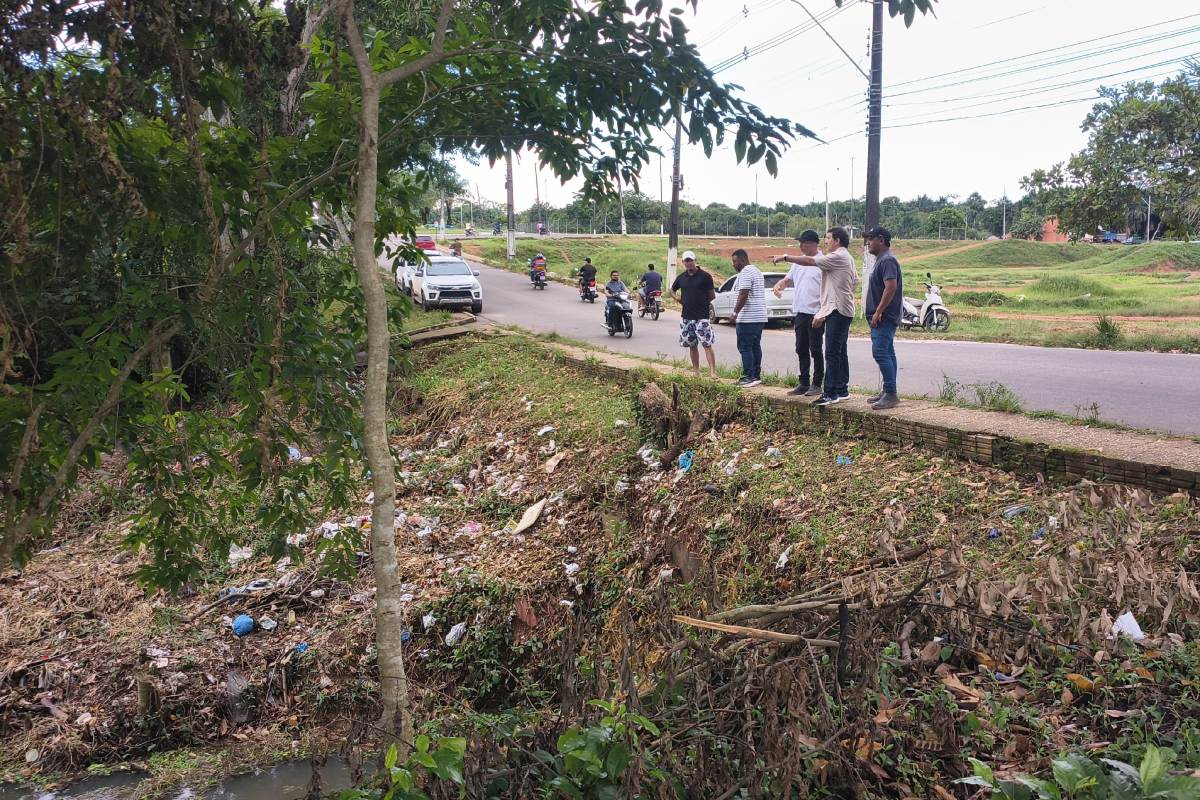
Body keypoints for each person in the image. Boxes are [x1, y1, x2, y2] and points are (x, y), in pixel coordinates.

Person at [772, 226, 857, 406]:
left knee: (828, 351)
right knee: (826, 350)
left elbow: (811, 261)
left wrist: (785, 257)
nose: (826, 241)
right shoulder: (842, 257)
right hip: (815, 310)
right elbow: (854, 281)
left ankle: (829, 391)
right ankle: (838, 389)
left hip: (829, 310)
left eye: (828, 238)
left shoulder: (834, 257)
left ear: (837, 240)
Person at [772, 230, 824, 396]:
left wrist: (822, 313)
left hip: (816, 312)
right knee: (801, 348)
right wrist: (779, 285)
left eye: (803, 243)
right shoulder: (797, 263)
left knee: (816, 349)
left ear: (812, 243)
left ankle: (817, 384)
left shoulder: (822, 262)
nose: (800, 246)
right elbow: (788, 279)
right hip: (800, 312)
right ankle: (803, 382)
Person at [863, 226, 902, 410]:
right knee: (888, 352)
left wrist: (878, 311)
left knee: (880, 352)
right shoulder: (882, 260)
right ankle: (888, 391)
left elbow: (891, 287)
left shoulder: (887, 260)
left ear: (881, 239)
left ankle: (891, 394)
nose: (867, 242)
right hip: (883, 315)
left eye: (870, 238)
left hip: (884, 316)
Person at [669, 251, 718, 379]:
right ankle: (696, 371)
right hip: (686, 316)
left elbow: (712, 295)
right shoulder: (681, 277)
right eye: (686, 261)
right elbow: (671, 290)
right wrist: (678, 299)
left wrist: (701, 303)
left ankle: (713, 372)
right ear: (683, 263)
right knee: (692, 345)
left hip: (702, 316)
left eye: (691, 260)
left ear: (695, 260)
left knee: (707, 344)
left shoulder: (705, 276)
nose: (689, 263)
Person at [731, 248, 767, 388]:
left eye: (734, 261)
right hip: (759, 316)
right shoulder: (757, 271)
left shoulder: (745, 273)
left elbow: (743, 294)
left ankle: (748, 377)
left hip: (748, 317)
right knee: (755, 346)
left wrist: (735, 313)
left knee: (745, 347)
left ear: (742, 260)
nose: (733, 264)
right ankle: (756, 376)